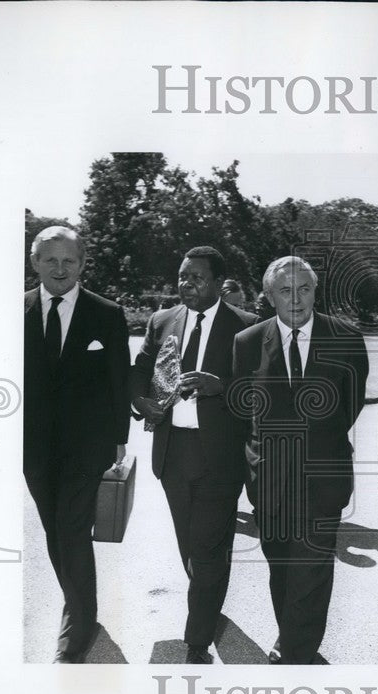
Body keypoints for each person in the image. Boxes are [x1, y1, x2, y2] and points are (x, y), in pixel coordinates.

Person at [231, 256, 369, 664]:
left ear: (315, 291)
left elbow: (352, 403)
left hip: (323, 477)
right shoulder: (248, 342)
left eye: (304, 288)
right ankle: (290, 635)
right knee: (282, 567)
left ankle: (298, 653)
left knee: (312, 569)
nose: (296, 299)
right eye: (285, 291)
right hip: (269, 479)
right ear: (270, 295)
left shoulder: (345, 337)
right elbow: (244, 411)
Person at [130, 247, 257, 664]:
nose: (186, 284)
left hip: (219, 458)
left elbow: (260, 392)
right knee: (194, 549)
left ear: (220, 282)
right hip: (173, 454)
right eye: (182, 276)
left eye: (197, 277)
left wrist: (222, 386)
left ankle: (197, 640)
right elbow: (141, 369)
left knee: (206, 549)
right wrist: (139, 400)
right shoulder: (162, 320)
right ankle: (209, 599)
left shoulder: (248, 328)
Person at [23, 226, 130, 663]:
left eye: (69, 261)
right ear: (35, 263)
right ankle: (78, 603)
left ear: (83, 264)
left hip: (87, 448)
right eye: (51, 260)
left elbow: (118, 381)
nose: (60, 269)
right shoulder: (16, 310)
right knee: (55, 531)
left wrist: (119, 440)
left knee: (71, 529)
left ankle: (78, 625)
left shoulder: (107, 314)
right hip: (32, 449)